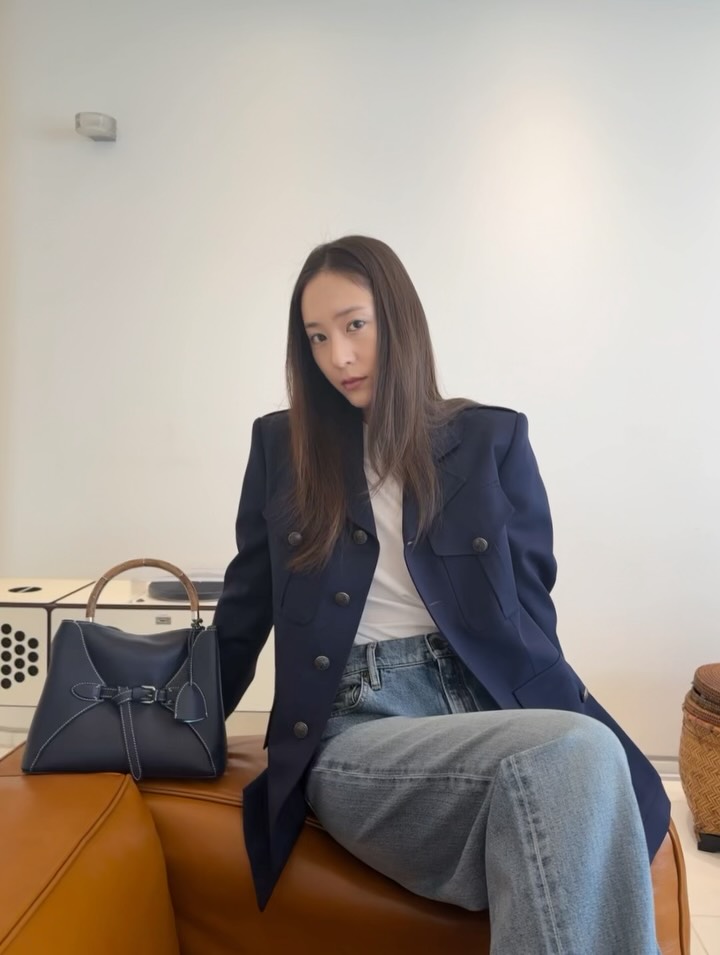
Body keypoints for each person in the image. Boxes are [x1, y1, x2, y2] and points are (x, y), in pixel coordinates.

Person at [213, 235, 670, 954]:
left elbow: (530, 610)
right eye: (318, 337)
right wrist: (170, 722)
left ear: (399, 320)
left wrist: (550, 706)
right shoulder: (283, 448)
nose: (339, 356)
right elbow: (243, 612)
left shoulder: (490, 439)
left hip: (484, 712)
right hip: (358, 728)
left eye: (355, 325)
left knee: (584, 758)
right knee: (577, 753)